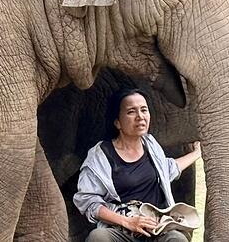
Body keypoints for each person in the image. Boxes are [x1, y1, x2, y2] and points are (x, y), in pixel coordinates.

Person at [74, 88, 202, 241]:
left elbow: (168, 169)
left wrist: (197, 153)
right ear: (117, 122)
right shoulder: (100, 155)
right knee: (98, 237)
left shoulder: (151, 145)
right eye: (131, 112)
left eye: (144, 110)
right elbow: (88, 200)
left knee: (177, 239)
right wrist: (127, 222)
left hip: (157, 228)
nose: (140, 116)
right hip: (122, 229)